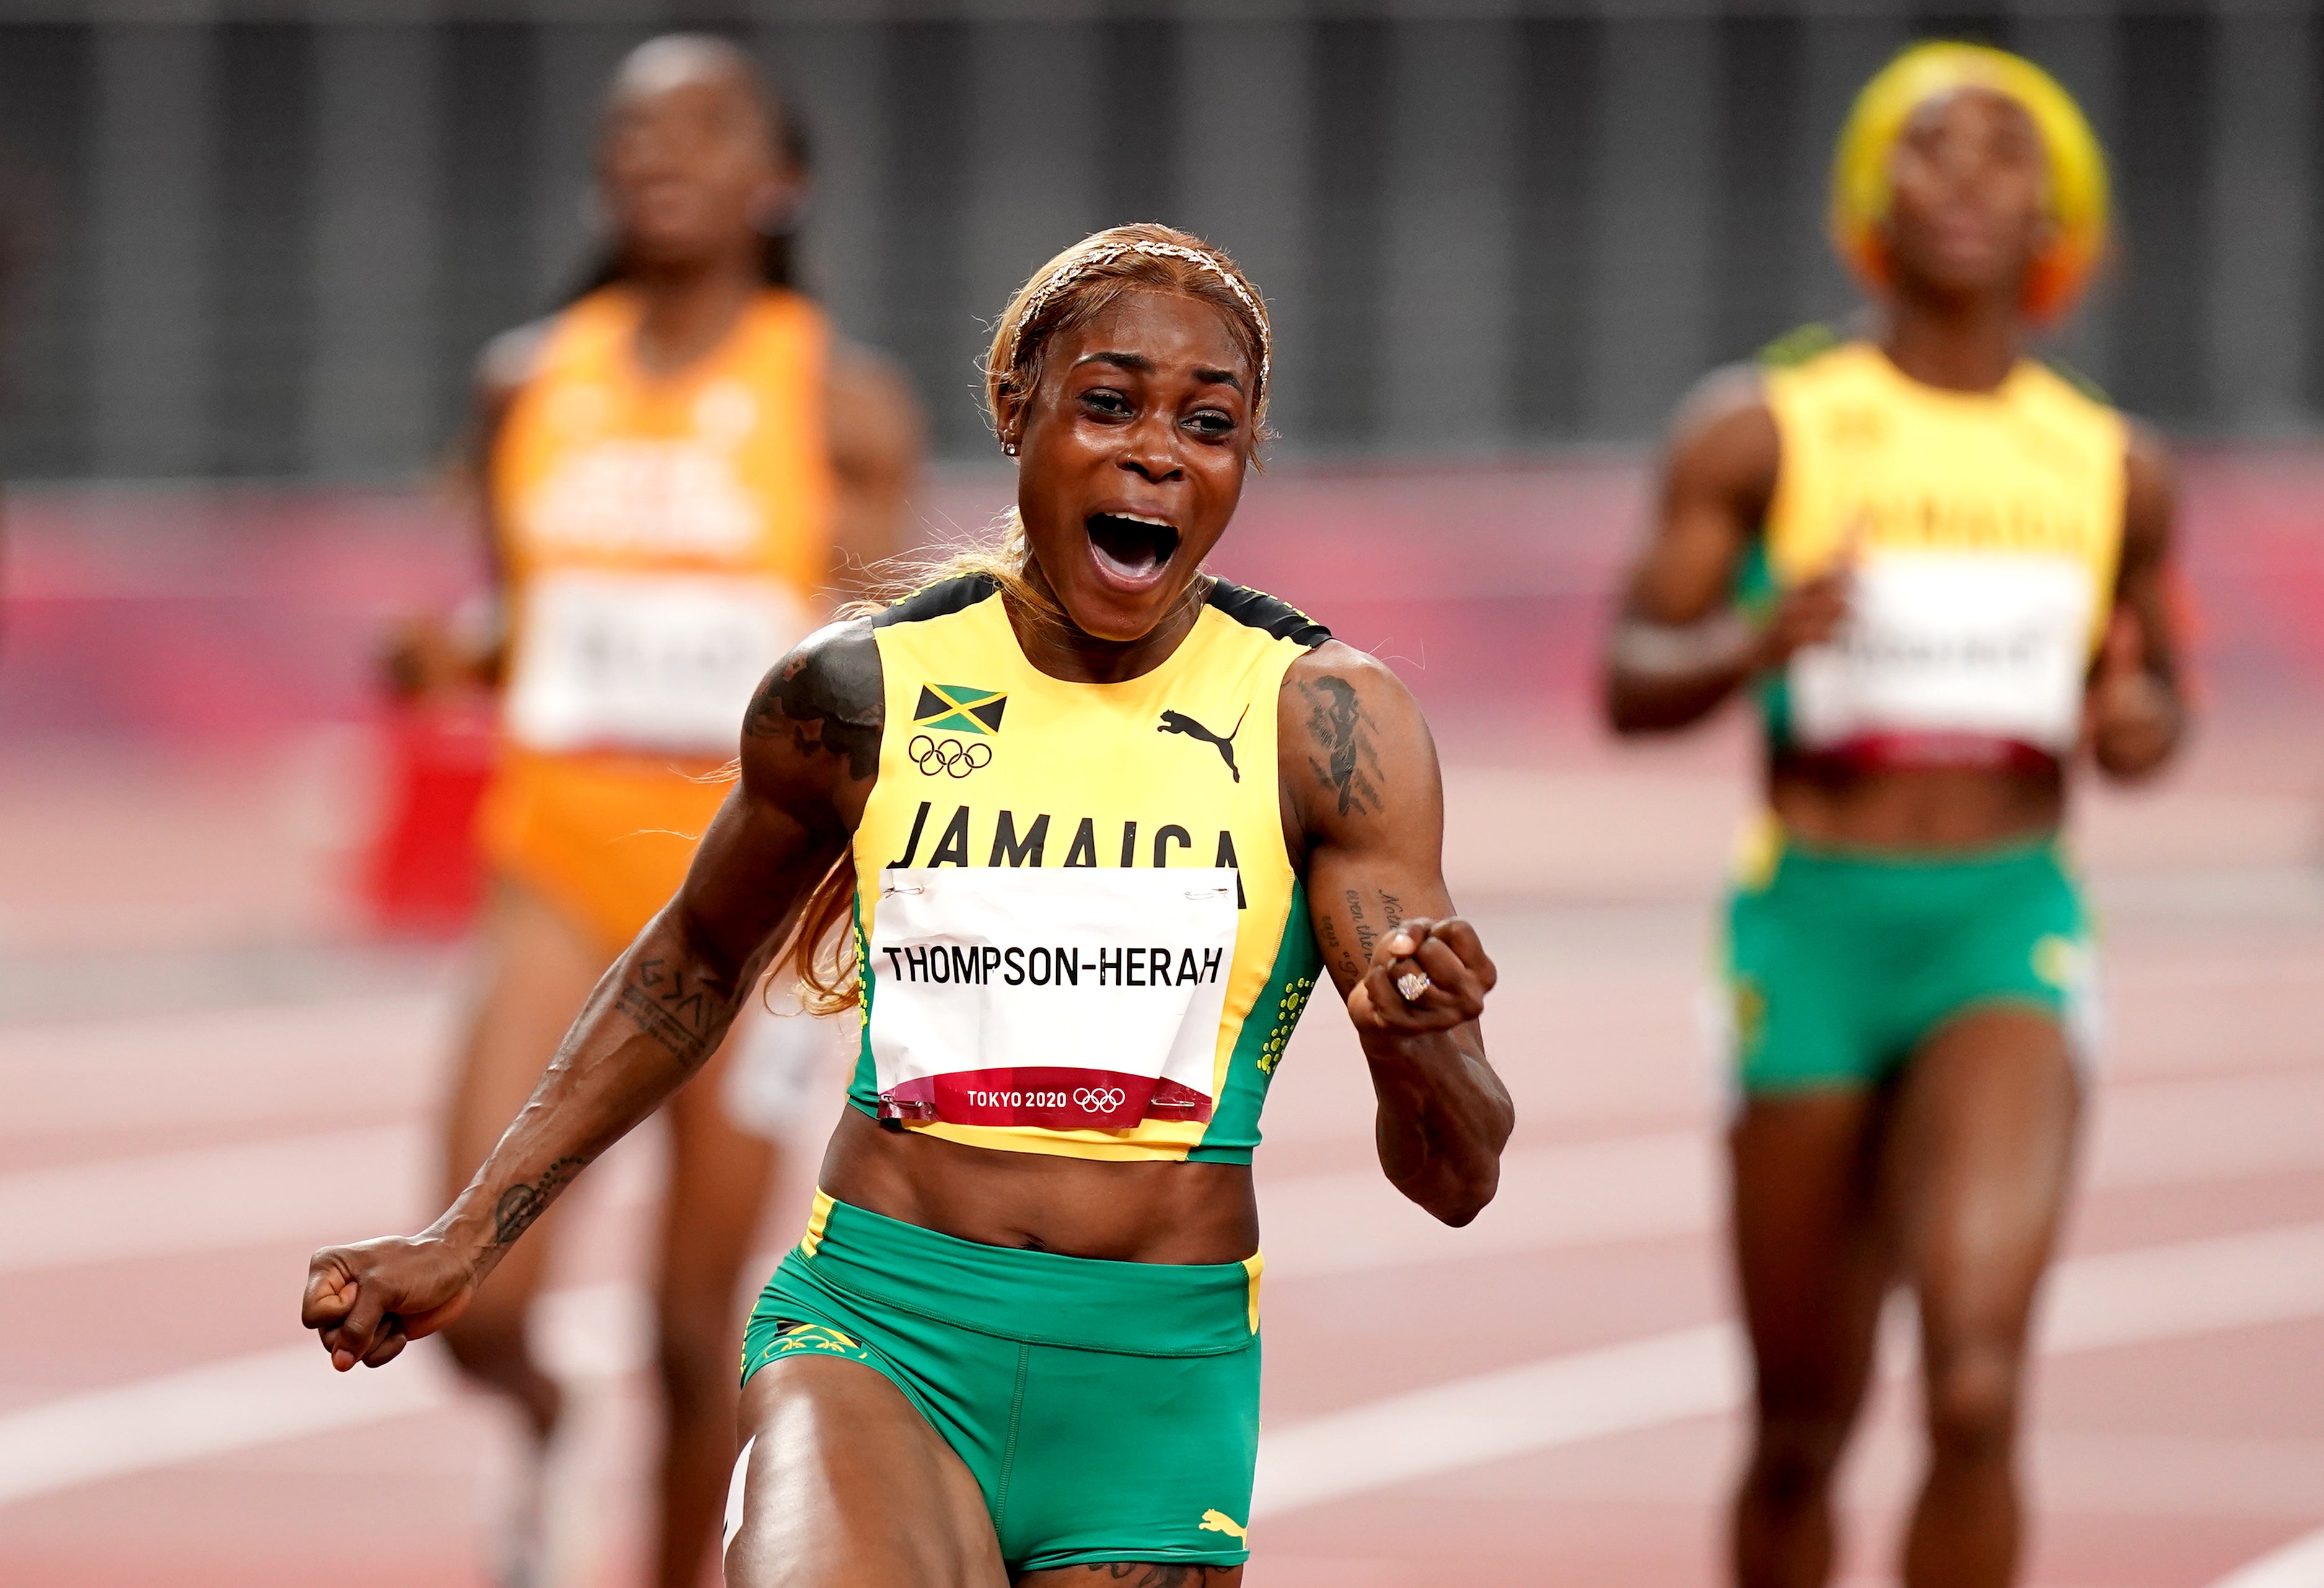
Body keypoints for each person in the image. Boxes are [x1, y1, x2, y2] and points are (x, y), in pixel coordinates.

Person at [306, 221, 1513, 1586]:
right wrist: (465, 1234)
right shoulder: (855, 694)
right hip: (879, 1329)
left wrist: (1424, 1047)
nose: (1156, 452)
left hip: (1151, 1380)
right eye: (1108, 404)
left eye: (1209, 423)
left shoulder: (1325, 723)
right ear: (1016, 408)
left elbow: (1456, 1180)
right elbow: (695, 959)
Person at [1602, 43, 2185, 1588]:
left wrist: (2140, 724)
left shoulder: (2112, 463)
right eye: (1932, 145)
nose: (1971, 179)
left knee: (1980, 1387)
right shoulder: (1768, 426)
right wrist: (1754, 637)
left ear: (2062, 209)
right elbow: (1630, 674)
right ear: (1872, 191)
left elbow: (2152, 700)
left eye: (2011, 152)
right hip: (1811, 925)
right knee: (1803, 1422)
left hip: (2006, 921)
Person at [388, 33, 921, 1588]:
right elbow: (527, 609)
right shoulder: (528, 379)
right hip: (552, 864)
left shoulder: (837, 399)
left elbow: (873, 637)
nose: (657, 154)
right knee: (474, 1292)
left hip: (746, 891)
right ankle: (548, 1423)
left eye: (702, 127)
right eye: (631, 131)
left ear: (781, 181)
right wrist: (456, 648)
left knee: (703, 1329)